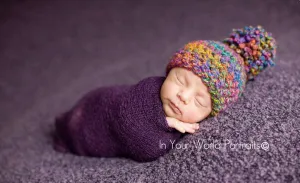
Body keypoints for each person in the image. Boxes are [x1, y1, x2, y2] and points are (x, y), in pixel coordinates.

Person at [53, 25, 277, 162]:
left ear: (212, 112)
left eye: (199, 101)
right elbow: (140, 142)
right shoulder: (149, 88)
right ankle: (62, 132)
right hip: (91, 115)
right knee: (72, 127)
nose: (184, 96)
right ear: (169, 72)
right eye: (180, 80)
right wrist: (165, 121)